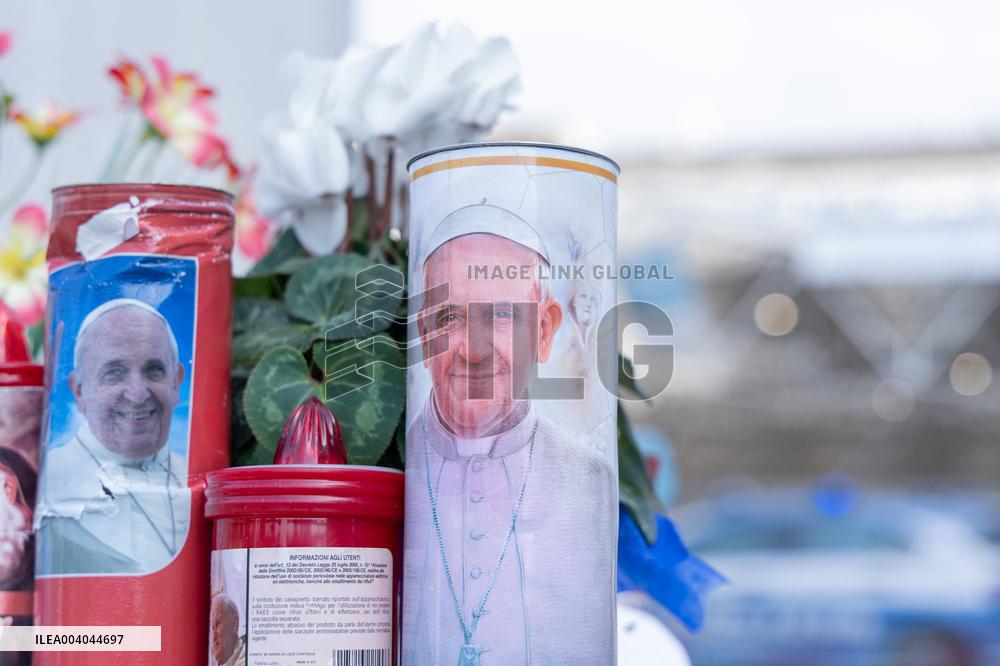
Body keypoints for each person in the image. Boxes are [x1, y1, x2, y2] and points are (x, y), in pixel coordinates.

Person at [403, 203, 616, 665]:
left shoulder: (589, 480)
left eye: (501, 315)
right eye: (448, 318)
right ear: (423, 332)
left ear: (543, 331)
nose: (473, 352)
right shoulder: (395, 467)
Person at [35, 298, 190, 576]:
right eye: (114, 374)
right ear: (79, 390)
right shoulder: (45, 481)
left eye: (153, 370)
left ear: (176, 381)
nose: (137, 393)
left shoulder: (196, 474)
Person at [210, 593, 246, 666]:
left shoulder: (249, 659)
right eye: (211, 627)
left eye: (218, 624)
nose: (213, 636)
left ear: (234, 624)